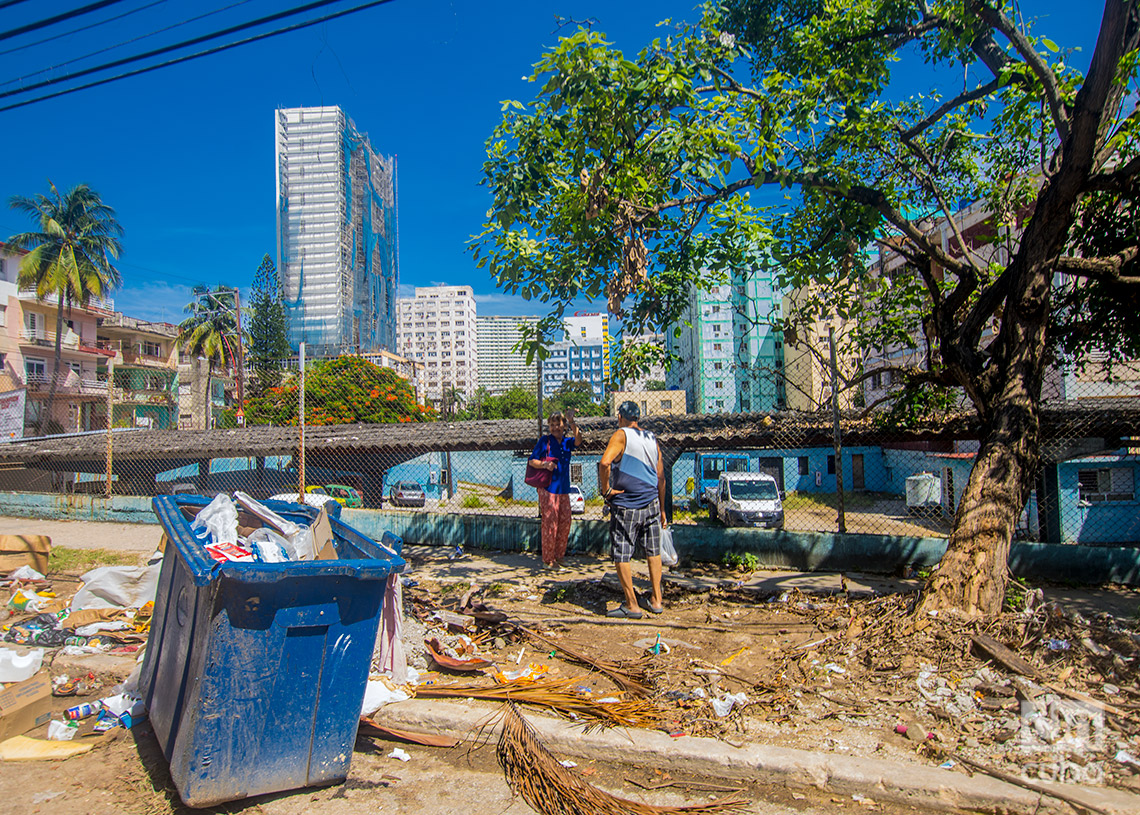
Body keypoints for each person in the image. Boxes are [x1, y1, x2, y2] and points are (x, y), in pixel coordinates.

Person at [598, 401, 666, 618]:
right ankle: (656, 600)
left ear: (620, 417)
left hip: (627, 505)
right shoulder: (651, 438)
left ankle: (632, 605)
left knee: (622, 553)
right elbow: (661, 477)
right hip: (652, 503)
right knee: (653, 551)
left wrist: (606, 491)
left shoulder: (621, 435)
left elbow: (604, 463)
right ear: (638, 417)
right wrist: (663, 509)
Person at [529, 407, 580, 570]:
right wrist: (545, 464)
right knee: (550, 524)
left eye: (557, 424)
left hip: (563, 488)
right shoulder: (545, 441)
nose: (555, 427)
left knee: (565, 522)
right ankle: (548, 560)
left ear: (564, 425)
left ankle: (559, 556)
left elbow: (578, 440)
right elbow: (532, 461)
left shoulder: (566, 442)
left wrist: (572, 421)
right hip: (548, 489)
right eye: (551, 425)